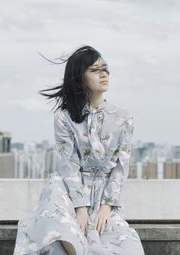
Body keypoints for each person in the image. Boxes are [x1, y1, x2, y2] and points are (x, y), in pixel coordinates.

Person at [13, 45, 145, 255]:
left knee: (124, 245)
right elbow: (68, 165)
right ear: (80, 77)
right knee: (63, 228)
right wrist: (80, 208)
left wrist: (106, 206)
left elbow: (121, 167)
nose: (104, 74)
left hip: (104, 196)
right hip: (67, 191)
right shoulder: (64, 118)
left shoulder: (123, 117)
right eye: (95, 70)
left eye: (105, 69)